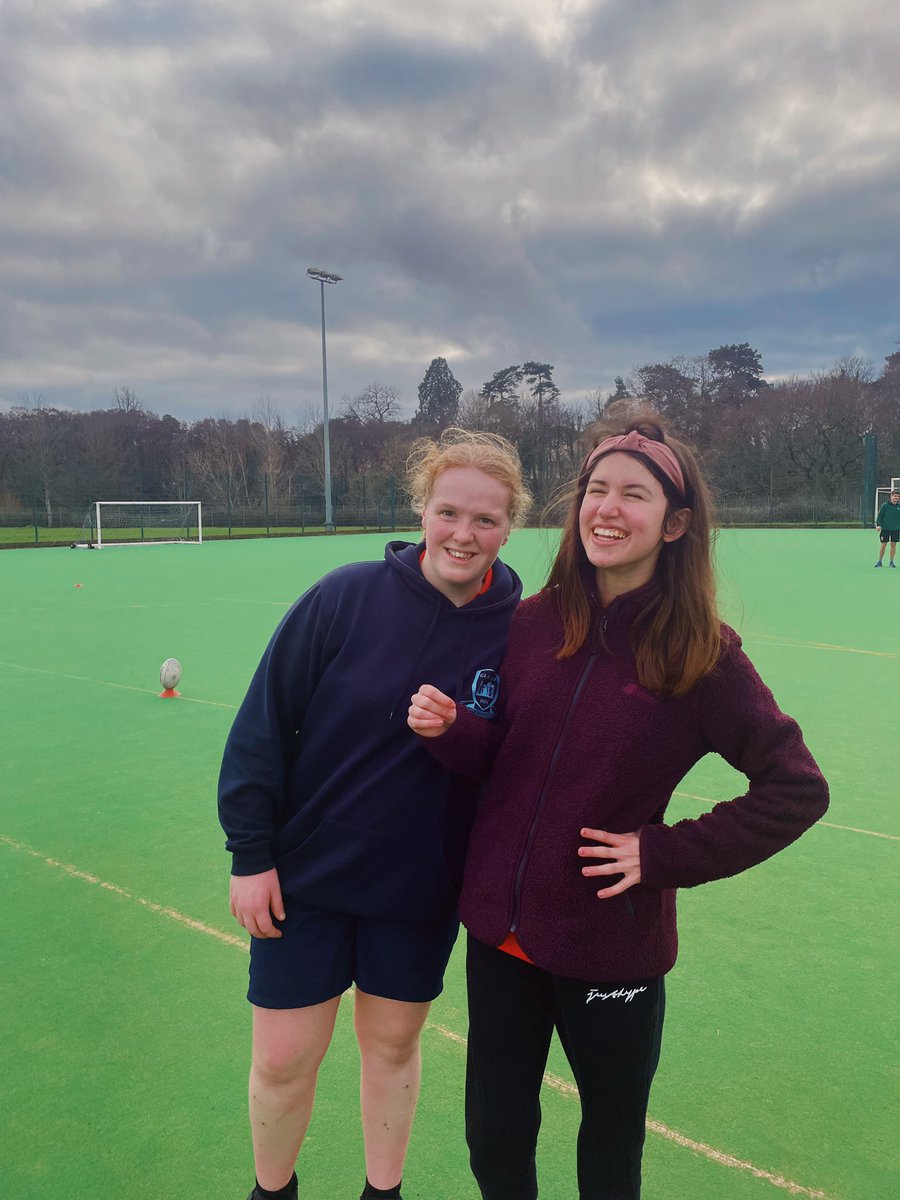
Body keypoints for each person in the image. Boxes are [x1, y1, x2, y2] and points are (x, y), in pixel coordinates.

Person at [408, 409, 828, 1200]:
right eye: (596, 489)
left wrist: (660, 853)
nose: (606, 507)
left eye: (633, 495)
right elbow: (508, 760)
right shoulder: (532, 623)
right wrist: (454, 732)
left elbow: (796, 787)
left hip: (612, 951)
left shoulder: (703, 652)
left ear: (675, 524)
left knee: (608, 1158)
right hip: (499, 937)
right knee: (494, 1140)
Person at [218, 427, 531, 1200]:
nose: (465, 533)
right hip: (306, 883)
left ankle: (381, 1194)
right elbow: (264, 723)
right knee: (284, 1058)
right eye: (449, 511)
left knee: (391, 1051)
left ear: (509, 526)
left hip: (420, 892)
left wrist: (463, 729)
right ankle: (272, 1191)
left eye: (486, 520)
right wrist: (250, 853)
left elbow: (518, 763)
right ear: (421, 509)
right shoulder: (344, 596)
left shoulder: (521, 632)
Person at [874, 488, 900, 566]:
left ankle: (891, 562)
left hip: (895, 529)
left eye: (898, 496)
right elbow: (880, 516)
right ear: (891, 496)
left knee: (893, 545)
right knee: (883, 545)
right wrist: (878, 525)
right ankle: (879, 561)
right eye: (895, 496)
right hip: (885, 529)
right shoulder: (885, 505)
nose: (896, 498)